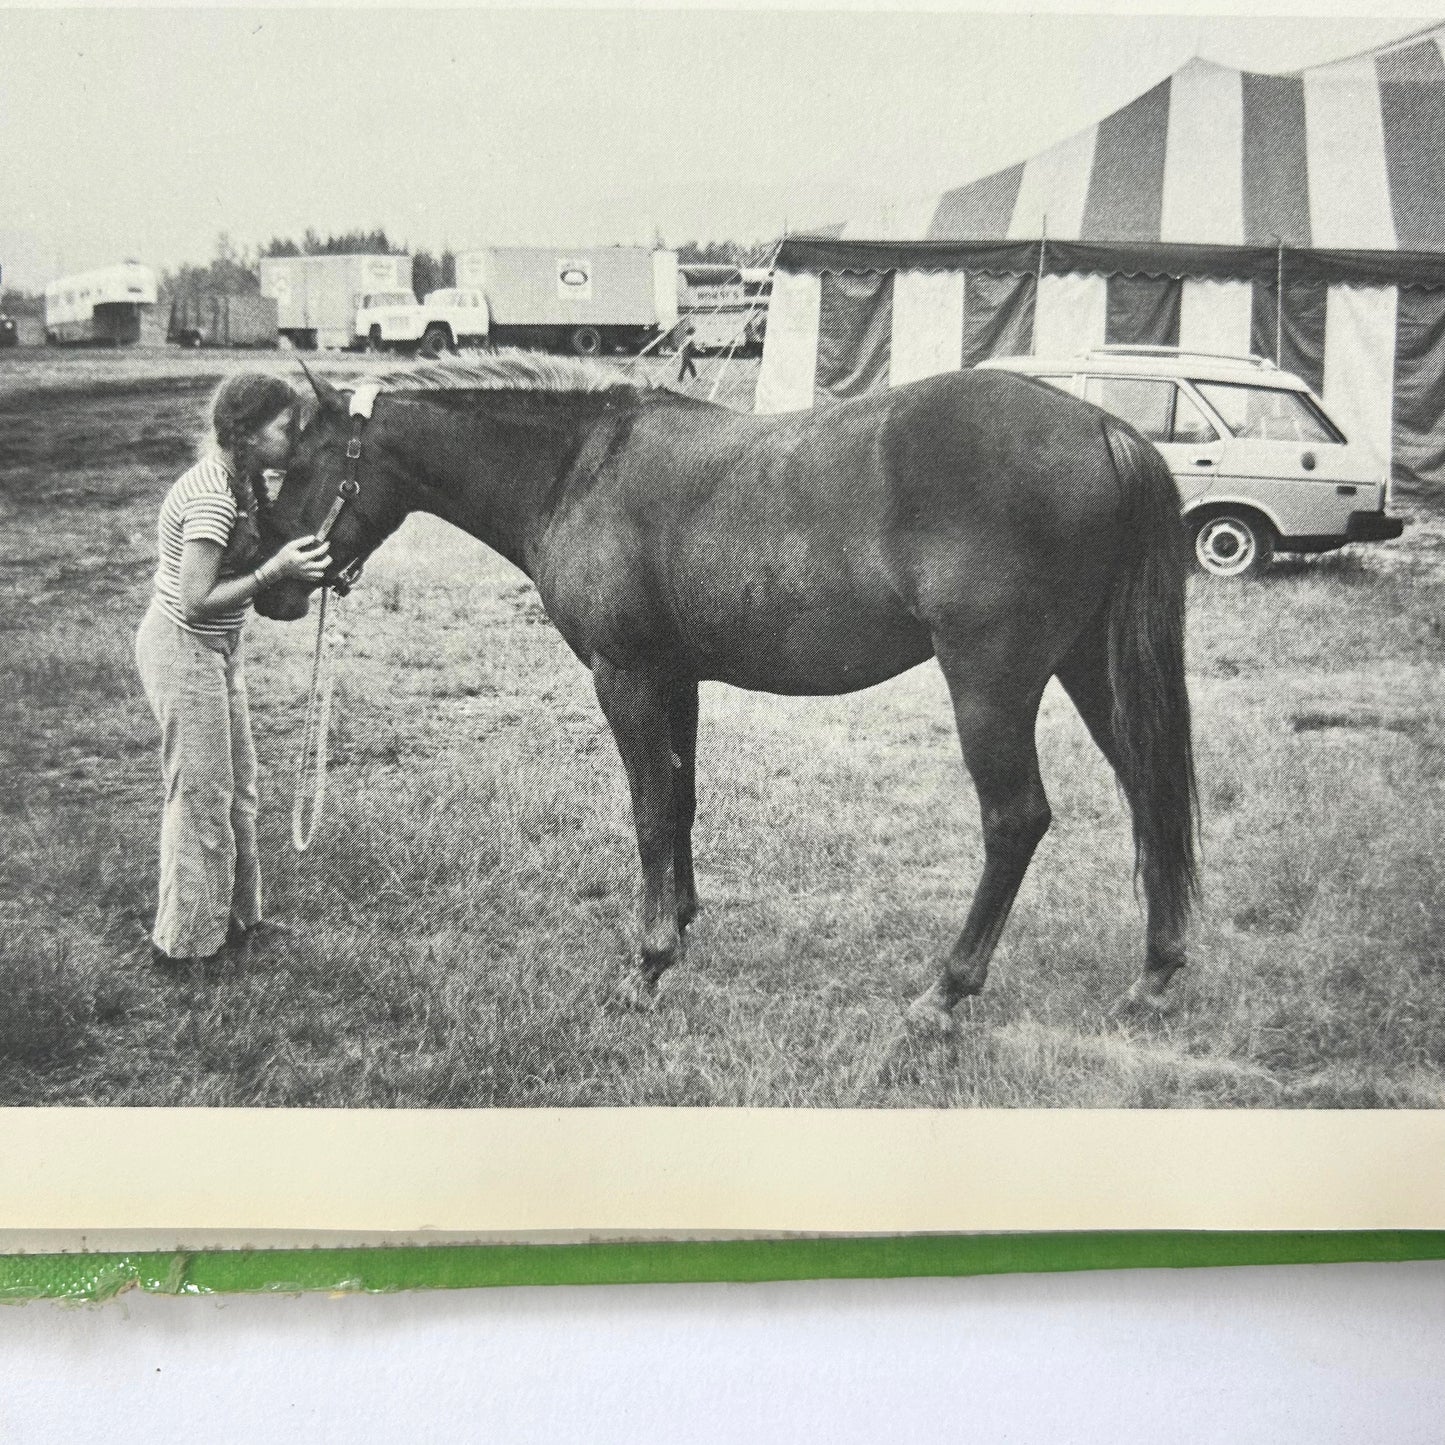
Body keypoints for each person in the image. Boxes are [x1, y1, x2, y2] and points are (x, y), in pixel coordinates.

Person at [134, 373, 330, 968]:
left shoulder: (241, 482)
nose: (294, 439)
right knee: (200, 796)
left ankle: (242, 921)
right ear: (244, 432)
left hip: (217, 649)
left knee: (239, 791)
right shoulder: (214, 496)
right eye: (283, 427)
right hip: (182, 645)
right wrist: (273, 573)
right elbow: (195, 599)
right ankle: (185, 946)